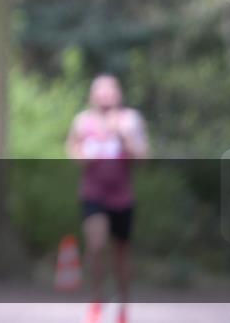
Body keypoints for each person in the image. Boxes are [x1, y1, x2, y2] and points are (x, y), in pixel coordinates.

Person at [65, 74, 149, 323]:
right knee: (96, 245)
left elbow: (144, 158)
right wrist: (82, 156)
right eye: (99, 91)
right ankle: (96, 300)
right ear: (93, 96)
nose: (104, 96)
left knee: (121, 254)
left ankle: (123, 305)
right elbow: (71, 150)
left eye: (109, 91)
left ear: (118, 94)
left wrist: (124, 137)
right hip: (94, 195)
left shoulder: (130, 120)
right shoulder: (83, 121)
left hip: (123, 198)